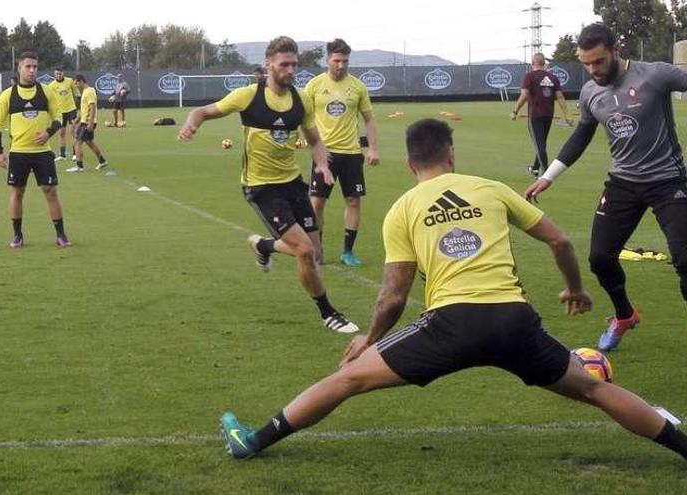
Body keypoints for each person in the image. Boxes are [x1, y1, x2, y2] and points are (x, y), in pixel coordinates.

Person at [219, 118, 687, 465]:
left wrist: (371, 340)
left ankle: (254, 440)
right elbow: (560, 240)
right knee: (592, 388)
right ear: (451, 153)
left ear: (409, 164)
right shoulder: (490, 188)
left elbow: (394, 295)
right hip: (514, 320)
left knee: (347, 380)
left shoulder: (403, 208)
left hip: (451, 325)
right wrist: (574, 289)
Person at [525, 23, 687, 352]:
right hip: (623, 183)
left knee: (685, 260)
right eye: (586, 64)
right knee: (599, 258)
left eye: (598, 62)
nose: (593, 70)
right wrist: (548, 176)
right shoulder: (590, 93)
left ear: (615, 50)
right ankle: (624, 315)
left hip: (668, 181)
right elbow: (581, 135)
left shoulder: (655, 75)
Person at [179, 36, 358, 334]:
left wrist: (324, 164)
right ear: (269, 65)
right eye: (284, 64)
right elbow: (203, 111)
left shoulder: (302, 99)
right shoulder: (248, 96)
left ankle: (263, 245)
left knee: (314, 252)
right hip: (261, 187)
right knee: (303, 251)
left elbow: (314, 140)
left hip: (292, 183)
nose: (290, 70)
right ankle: (328, 312)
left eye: (294, 64)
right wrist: (191, 124)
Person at [305, 38, 379, 267]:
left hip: (351, 154)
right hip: (324, 155)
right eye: (337, 60)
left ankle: (348, 252)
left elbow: (369, 119)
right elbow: (303, 117)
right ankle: (318, 250)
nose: (341, 65)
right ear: (328, 59)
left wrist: (373, 149)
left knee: (353, 201)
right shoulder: (314, 85)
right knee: (316, 203)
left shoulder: (357, 87)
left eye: (345, 60)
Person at [0, 51, 70, 249]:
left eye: (35, 67)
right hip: (18, 153)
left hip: (43, 152)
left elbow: (59, 116)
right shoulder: (8, 95)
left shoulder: (46, 91)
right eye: (28, 66)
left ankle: (60, 235)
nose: (32, 70)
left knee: (50, 191)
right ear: (19, 68)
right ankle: (17, 235)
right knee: (17, 193)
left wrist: (48, 132)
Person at [512, 53, 571, 177]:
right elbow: (560, 96)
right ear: (544, 64)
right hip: (548, 114)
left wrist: (515, 111)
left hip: (535, 115)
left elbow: (524, 95)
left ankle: (546, 173)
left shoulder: (529, 76)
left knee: (539, 144)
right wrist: (567, 114)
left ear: (532, 63)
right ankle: (535, 168)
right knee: (542, 143)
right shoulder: (553, 77)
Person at [66, 74, 108, 173]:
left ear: (81, 81)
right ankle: (102, 161)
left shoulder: (89, 92)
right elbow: (84, 109)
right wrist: (78, 119)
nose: (75, 85)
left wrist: (90, 123)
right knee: (89, 142)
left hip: (87, 122)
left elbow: (92, 107)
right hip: (84, 121)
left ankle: (79, 166)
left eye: (76, 83)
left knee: (77, 142)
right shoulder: (85, 92)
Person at [48, 68, 79, 162]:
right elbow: (50, 98)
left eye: (60, 73)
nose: (58, 75)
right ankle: (62, 155)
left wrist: (77, 105)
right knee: (61, 133)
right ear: (54, 75)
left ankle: (75, 153)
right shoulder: (52, 85)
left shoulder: (69, 81)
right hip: (60, 112)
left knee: (73, 132)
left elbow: (76, 93)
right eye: (57, 74)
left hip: (71, 110)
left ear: (63, 73)